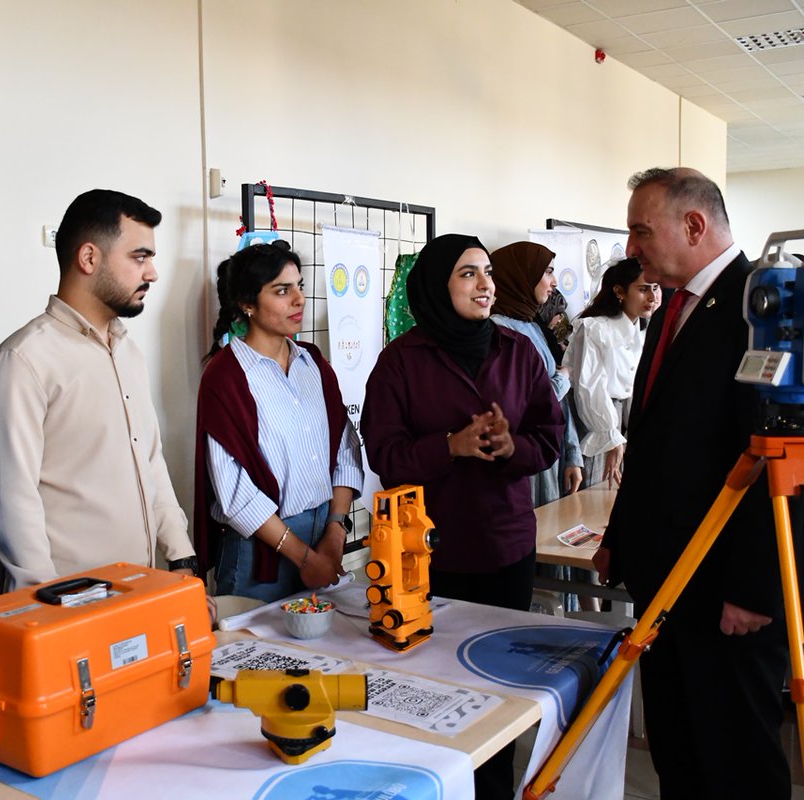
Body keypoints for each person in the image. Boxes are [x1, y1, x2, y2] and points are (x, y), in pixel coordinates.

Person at [594, 168, 790, 798]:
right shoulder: (675, 306)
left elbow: (780, 460)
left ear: (694, 225)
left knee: (734, 756)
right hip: (667, 579)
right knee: (679, 746)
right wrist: (619, 538)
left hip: (727, 592)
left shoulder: (765, 305)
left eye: (640, 230)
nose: (631, 247)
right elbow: (655, 440)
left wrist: (755, 587)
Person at [361, 233, 563, 798]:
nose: (485, 285)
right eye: (468, 274)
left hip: (506, 548)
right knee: (433, 694)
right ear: (436, 285)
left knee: (498, 696)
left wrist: (508, 448)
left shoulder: (518, 350)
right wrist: (450, 446)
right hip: (428, 557)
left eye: (488, 273)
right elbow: (385, 457)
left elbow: (548, 437)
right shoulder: (400, 361)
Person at [0, 189, 198, 591]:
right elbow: (16, 503)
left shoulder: (128, 351)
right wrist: (51, 609)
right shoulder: (24, 360)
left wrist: (182, 557)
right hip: (69, 607)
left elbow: (150, 461)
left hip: (139, 591)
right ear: (89, 258)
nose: (152, 273)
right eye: (139, 257)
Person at [194, 242, 363, 602]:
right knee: (257, 656)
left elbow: (345, 449)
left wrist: (335, 530)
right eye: (282, 291)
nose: (299, 299)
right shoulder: (226, 377)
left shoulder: (313, 363)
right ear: (247, 304)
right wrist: (303, 556)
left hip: (325, 532)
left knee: (322, 655)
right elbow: (234, 493)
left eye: (299, 286)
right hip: (261, 550)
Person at [488, 241, 583, 502]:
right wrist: (563, 380)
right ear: (522, 276)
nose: (554, 282)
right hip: (523, 460)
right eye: (548, 272)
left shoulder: (531, 325)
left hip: (550, 455)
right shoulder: (500, 331)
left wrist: (572, 454)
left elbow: (555, 404)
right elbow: (523, 403)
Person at [564, 258, 660, 487]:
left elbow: (631, 389)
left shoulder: (641, 331)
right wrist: (611, 436)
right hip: (592, 422)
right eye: (643, 289)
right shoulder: (595, 328)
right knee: (590, 494)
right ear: (620, 292)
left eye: (655, 288)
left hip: (618, 425)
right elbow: (590, 389)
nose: (653, 297)